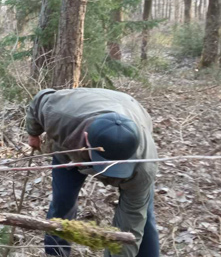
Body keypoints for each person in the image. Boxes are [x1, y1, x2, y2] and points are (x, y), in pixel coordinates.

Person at [25, 88, 159, 257]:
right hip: (70, 148)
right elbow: (39, 100)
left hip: (129, 107)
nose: (106, 172)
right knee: (62, 204)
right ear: (87, 138)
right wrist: (33, 133)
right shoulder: (60, 113)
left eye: (115, 167)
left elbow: (130, 223)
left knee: (143, 216)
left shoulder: (143, 165)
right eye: (103, 163)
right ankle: (56, 254)